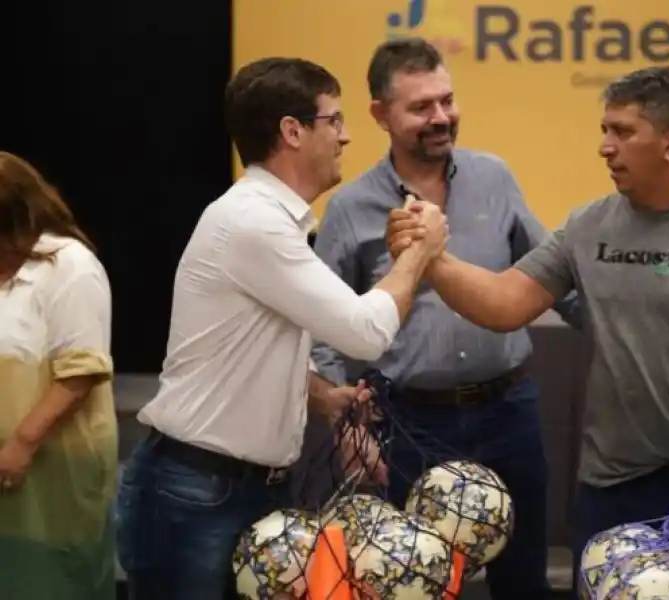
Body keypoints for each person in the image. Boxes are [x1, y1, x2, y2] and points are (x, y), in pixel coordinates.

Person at [387, 65, 669, 595]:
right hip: (608, 486)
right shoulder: (589, 225)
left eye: (623, 131)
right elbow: (504, 303)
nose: (605, 147)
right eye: (604, 130)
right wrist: (430, 258)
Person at [115, 57, 447, 600]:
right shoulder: (256, 222)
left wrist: (321, 395)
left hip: (233, 488)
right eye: (333, 120)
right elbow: (365, 333)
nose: (344, 136)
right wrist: (420, 253)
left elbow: (248, 345)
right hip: (199, 490)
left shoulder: (266, 219)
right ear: (292, 131)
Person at [311, 37, 580, 600]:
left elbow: (552, 277)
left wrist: (618, 325)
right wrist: (344, 422)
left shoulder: (495, 177)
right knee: (414, 584)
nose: (442, 117)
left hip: (510, 412)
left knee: (523, 578)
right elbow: (321, 329)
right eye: (421, 107)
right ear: (381, 116)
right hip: (410, 424)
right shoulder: (351, 208)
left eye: (447, 100)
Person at [0, 152, 117, 599]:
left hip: (53, 468)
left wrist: (22, 443)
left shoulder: (69, 266)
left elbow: (80, 372)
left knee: (51, 580)